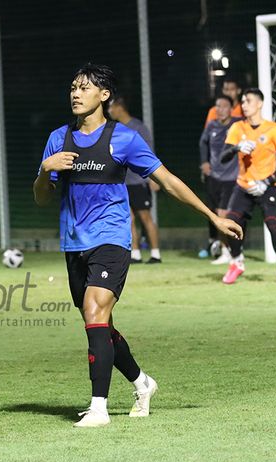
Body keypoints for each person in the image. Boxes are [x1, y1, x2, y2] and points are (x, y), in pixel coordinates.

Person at [33, 63, 242, 427]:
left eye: (84, 88)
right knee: (99, 325)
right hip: (73, 242)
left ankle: (98, 408)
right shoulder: (58, 139)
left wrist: (213, 217)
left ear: (104, 95)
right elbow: (41, 197)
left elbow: (170, 181)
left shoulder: (124, 138)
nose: (76, 93)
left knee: (95, 311)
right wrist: (44, 170)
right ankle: (142, 383)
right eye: (73, 87)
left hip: (112, 238)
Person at [219, 88, 276, 285]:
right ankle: (237, 263)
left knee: (273, 223)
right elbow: (223, 157)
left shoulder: (274, 129)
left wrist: (267, 181)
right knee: (230, 224)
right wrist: (237, 147)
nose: (244, 104)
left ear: (260, 104)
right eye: (243, 101)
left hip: (266, 185)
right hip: (243, 186)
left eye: (248, 101)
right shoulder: (238, 128)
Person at [108, 96, 162, 264]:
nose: (109, 111)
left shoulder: (138, 127)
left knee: (145, 217)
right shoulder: (114, 129)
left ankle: (155, 254)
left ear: (120, 107)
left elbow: (149, 151)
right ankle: (135, 254)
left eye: (111, 107)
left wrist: (153, 178)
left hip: (138, 180)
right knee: (128, 218)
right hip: (123, 182)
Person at [199, 95, 242, 264]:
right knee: (216, 212)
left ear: (231, 109)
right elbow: (202, 143)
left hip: (231, 178)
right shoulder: (212, 125)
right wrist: (204, 162)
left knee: (223, 214)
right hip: (214, 176)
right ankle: (229, 247)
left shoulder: (238, 124)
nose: (220, 109)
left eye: (224, 106)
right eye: (218, 106)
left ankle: (227, 250)